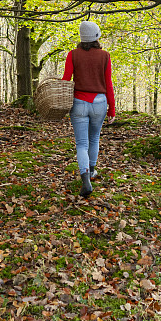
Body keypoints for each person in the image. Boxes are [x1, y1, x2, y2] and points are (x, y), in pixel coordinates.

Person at [62, 20, 116, 198]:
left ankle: (86, 180)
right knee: (94, 139)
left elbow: (66, 80)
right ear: (96, 37)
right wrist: (112, 109)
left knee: (81, 143)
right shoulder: (105, 56)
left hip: (78, 102)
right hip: (99, 102)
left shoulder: (73, 54)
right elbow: (108, 84)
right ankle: (92, 171)